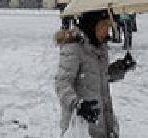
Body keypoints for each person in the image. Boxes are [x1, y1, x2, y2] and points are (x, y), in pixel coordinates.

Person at [55, 9, 137, 138]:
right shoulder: (74, 47)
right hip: (82, 125)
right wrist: (77, 104)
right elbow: (62, 83)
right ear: (92, 24)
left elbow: (101, 76)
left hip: (103, 119)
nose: (107, 31)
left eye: (109, 26)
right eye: (104, 26)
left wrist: (122, 67)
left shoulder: (100, 46)